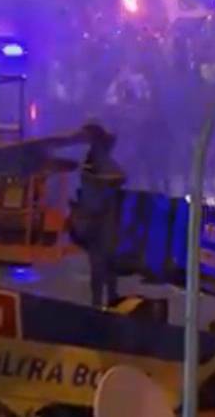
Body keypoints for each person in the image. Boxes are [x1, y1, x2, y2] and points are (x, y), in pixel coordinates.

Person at [70, 124, 126, 308]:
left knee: (104, 263)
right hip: (98, 217)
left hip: (103, 218)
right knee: (102, 263)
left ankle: (106, 300)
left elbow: (119, 177)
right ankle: (103, 301)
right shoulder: (94, 159)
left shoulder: (99, 159)